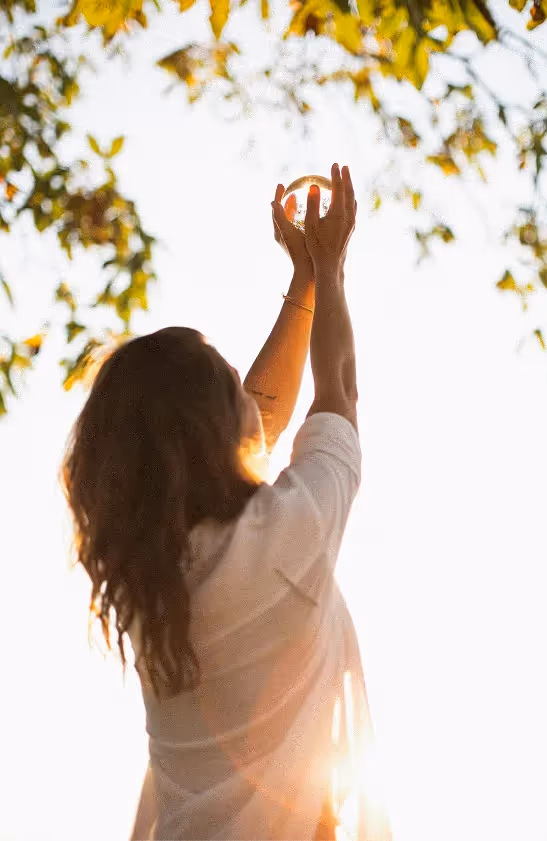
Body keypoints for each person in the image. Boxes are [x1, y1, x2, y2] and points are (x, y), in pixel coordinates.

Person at [61, 163, 391, 841]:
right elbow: (339, 392)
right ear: (216, 427)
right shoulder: (284, 541)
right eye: (233, 381)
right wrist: (329, 267)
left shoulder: (149, 592)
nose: (249, 385)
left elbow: (252, 434)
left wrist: (300, 287)